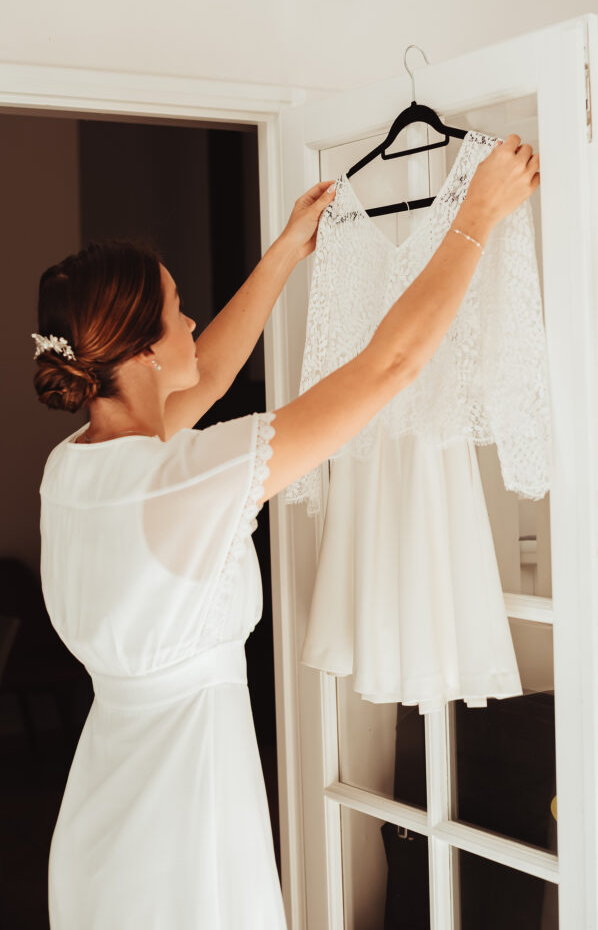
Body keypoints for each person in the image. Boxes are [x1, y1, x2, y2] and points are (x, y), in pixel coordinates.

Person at [33, 133, 539, 928]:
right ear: (139, 351)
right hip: (186, 828)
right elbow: (388, 369)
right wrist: (476, 215)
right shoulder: (186, 476)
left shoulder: (75, 467)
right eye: (176, 309)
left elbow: (212, 374)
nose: (191, 318)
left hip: (103, 816)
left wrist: (283, 257)